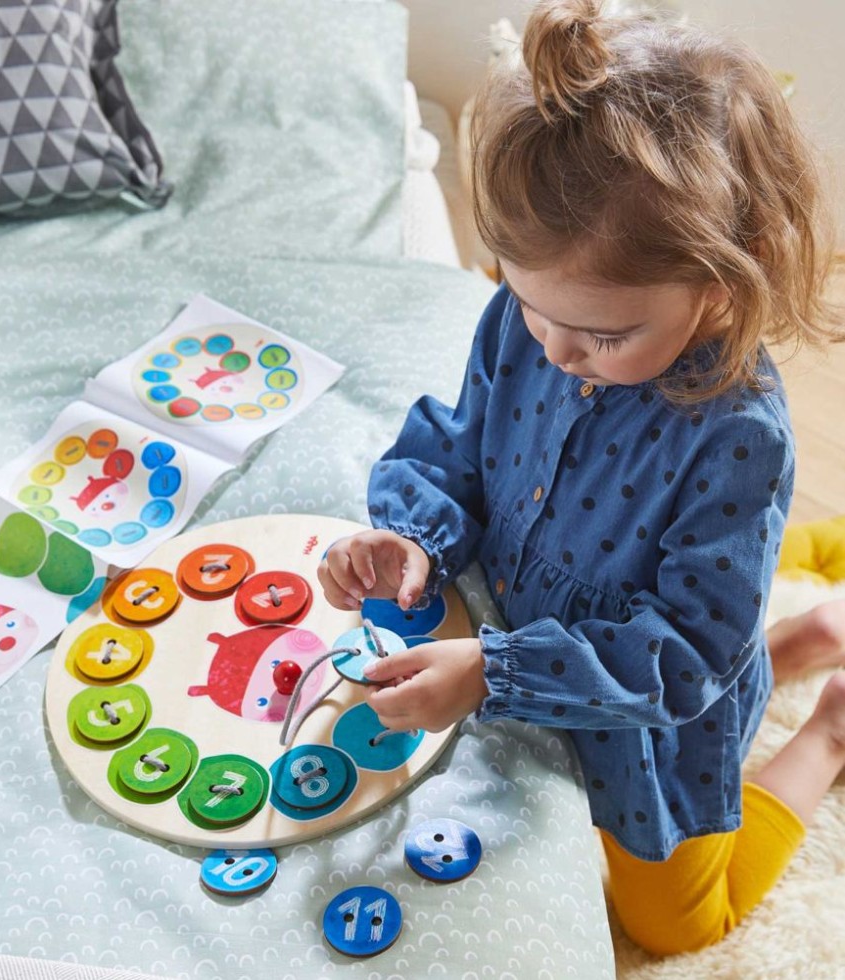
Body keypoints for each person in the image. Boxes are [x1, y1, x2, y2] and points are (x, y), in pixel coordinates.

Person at [317, 0, 843, 957]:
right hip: (542, 652)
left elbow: (687, 653)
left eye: (604, 335)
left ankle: (829, 732)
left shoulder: (736, 438)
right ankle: (800, 633)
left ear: (726, 281)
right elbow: (459, 446)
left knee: (676, 924)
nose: (557, 351)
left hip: (652, 730)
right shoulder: (529, 324)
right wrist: (413, 537)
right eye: (527, 304)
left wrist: (493, 671)